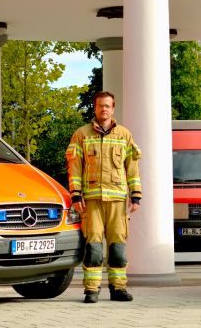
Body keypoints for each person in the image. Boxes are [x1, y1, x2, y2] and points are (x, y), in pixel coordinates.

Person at [66, 91, 142, 304]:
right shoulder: (81, 134)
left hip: (117, 200)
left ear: (113, 108)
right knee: (94, 246)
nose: (104, 109)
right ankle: (91, 290)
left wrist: (136, 196)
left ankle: (118, 288)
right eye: (100, 106)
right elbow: (74, 168)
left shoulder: (124, 135)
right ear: (95, 108)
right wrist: (75, 195)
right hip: (91, 201)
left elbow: (132, 168)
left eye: (108, 105)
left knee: (118, 246)